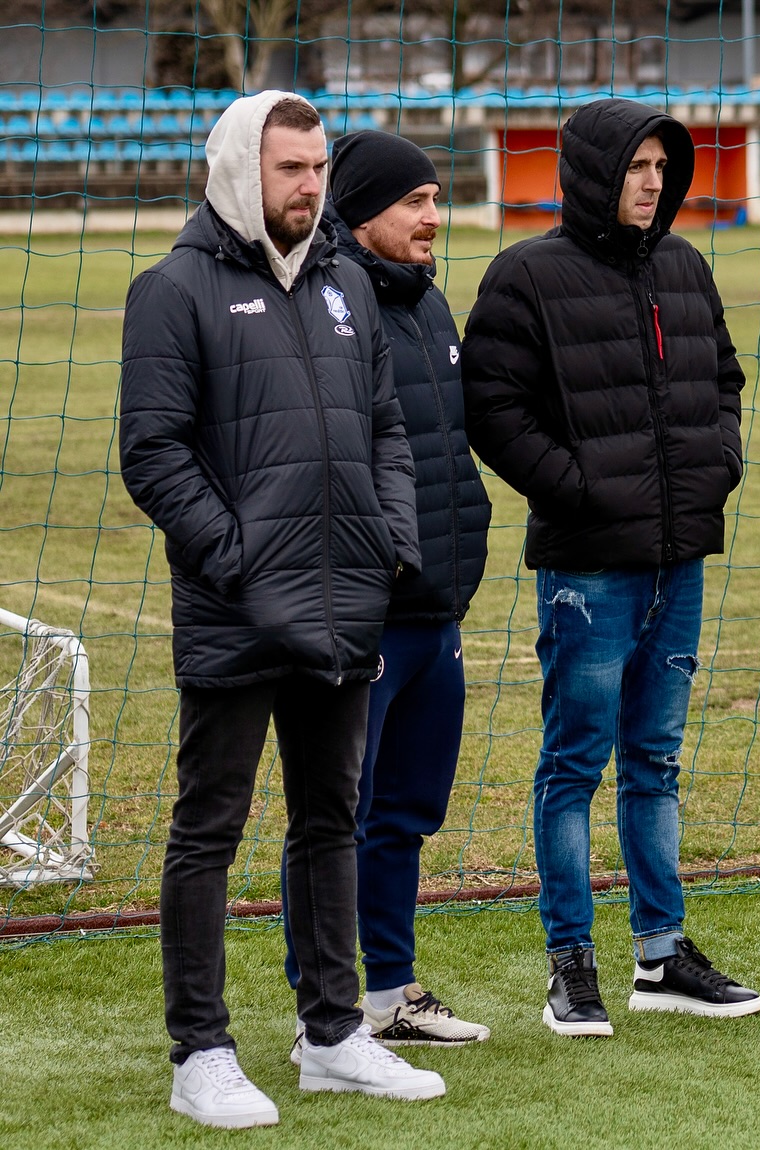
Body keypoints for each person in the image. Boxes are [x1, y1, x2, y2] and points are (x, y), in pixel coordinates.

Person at [119, 91, 444, 1129]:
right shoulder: (173, 290)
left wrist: (390, 539)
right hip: (236, 608)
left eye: (317, 167)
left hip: (347, 600)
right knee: (209, 828)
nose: (310, 185)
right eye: (290, 169)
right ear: (236, 170)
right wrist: (236, 556)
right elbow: (154, 452)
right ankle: (200, 1052)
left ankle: (334, 1034)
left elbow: (386, 428)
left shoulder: (346, 282)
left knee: (329, 819)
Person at [461, 97, 760, 1037]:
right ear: (595, 172)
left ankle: (661, 953)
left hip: (680, 561)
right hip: (589, 568)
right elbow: (492, 409)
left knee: (656, 761)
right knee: (574, 762)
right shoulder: (525, 276)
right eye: (636, 166)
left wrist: (721, 463)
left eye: (661, 166)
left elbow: (724, 380)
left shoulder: (683, 264)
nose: (653, 181)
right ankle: (570, 964)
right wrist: (577, 487)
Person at [277, 130, 493, 1046]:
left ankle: (387, 998)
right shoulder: (324, 302)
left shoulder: (428, 301)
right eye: (416, 202)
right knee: (337, 816)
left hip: (435, 609)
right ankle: (319, 1010)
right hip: (363, 610)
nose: (433, 218)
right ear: (362, 211)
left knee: (404, 812)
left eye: (439, 199)